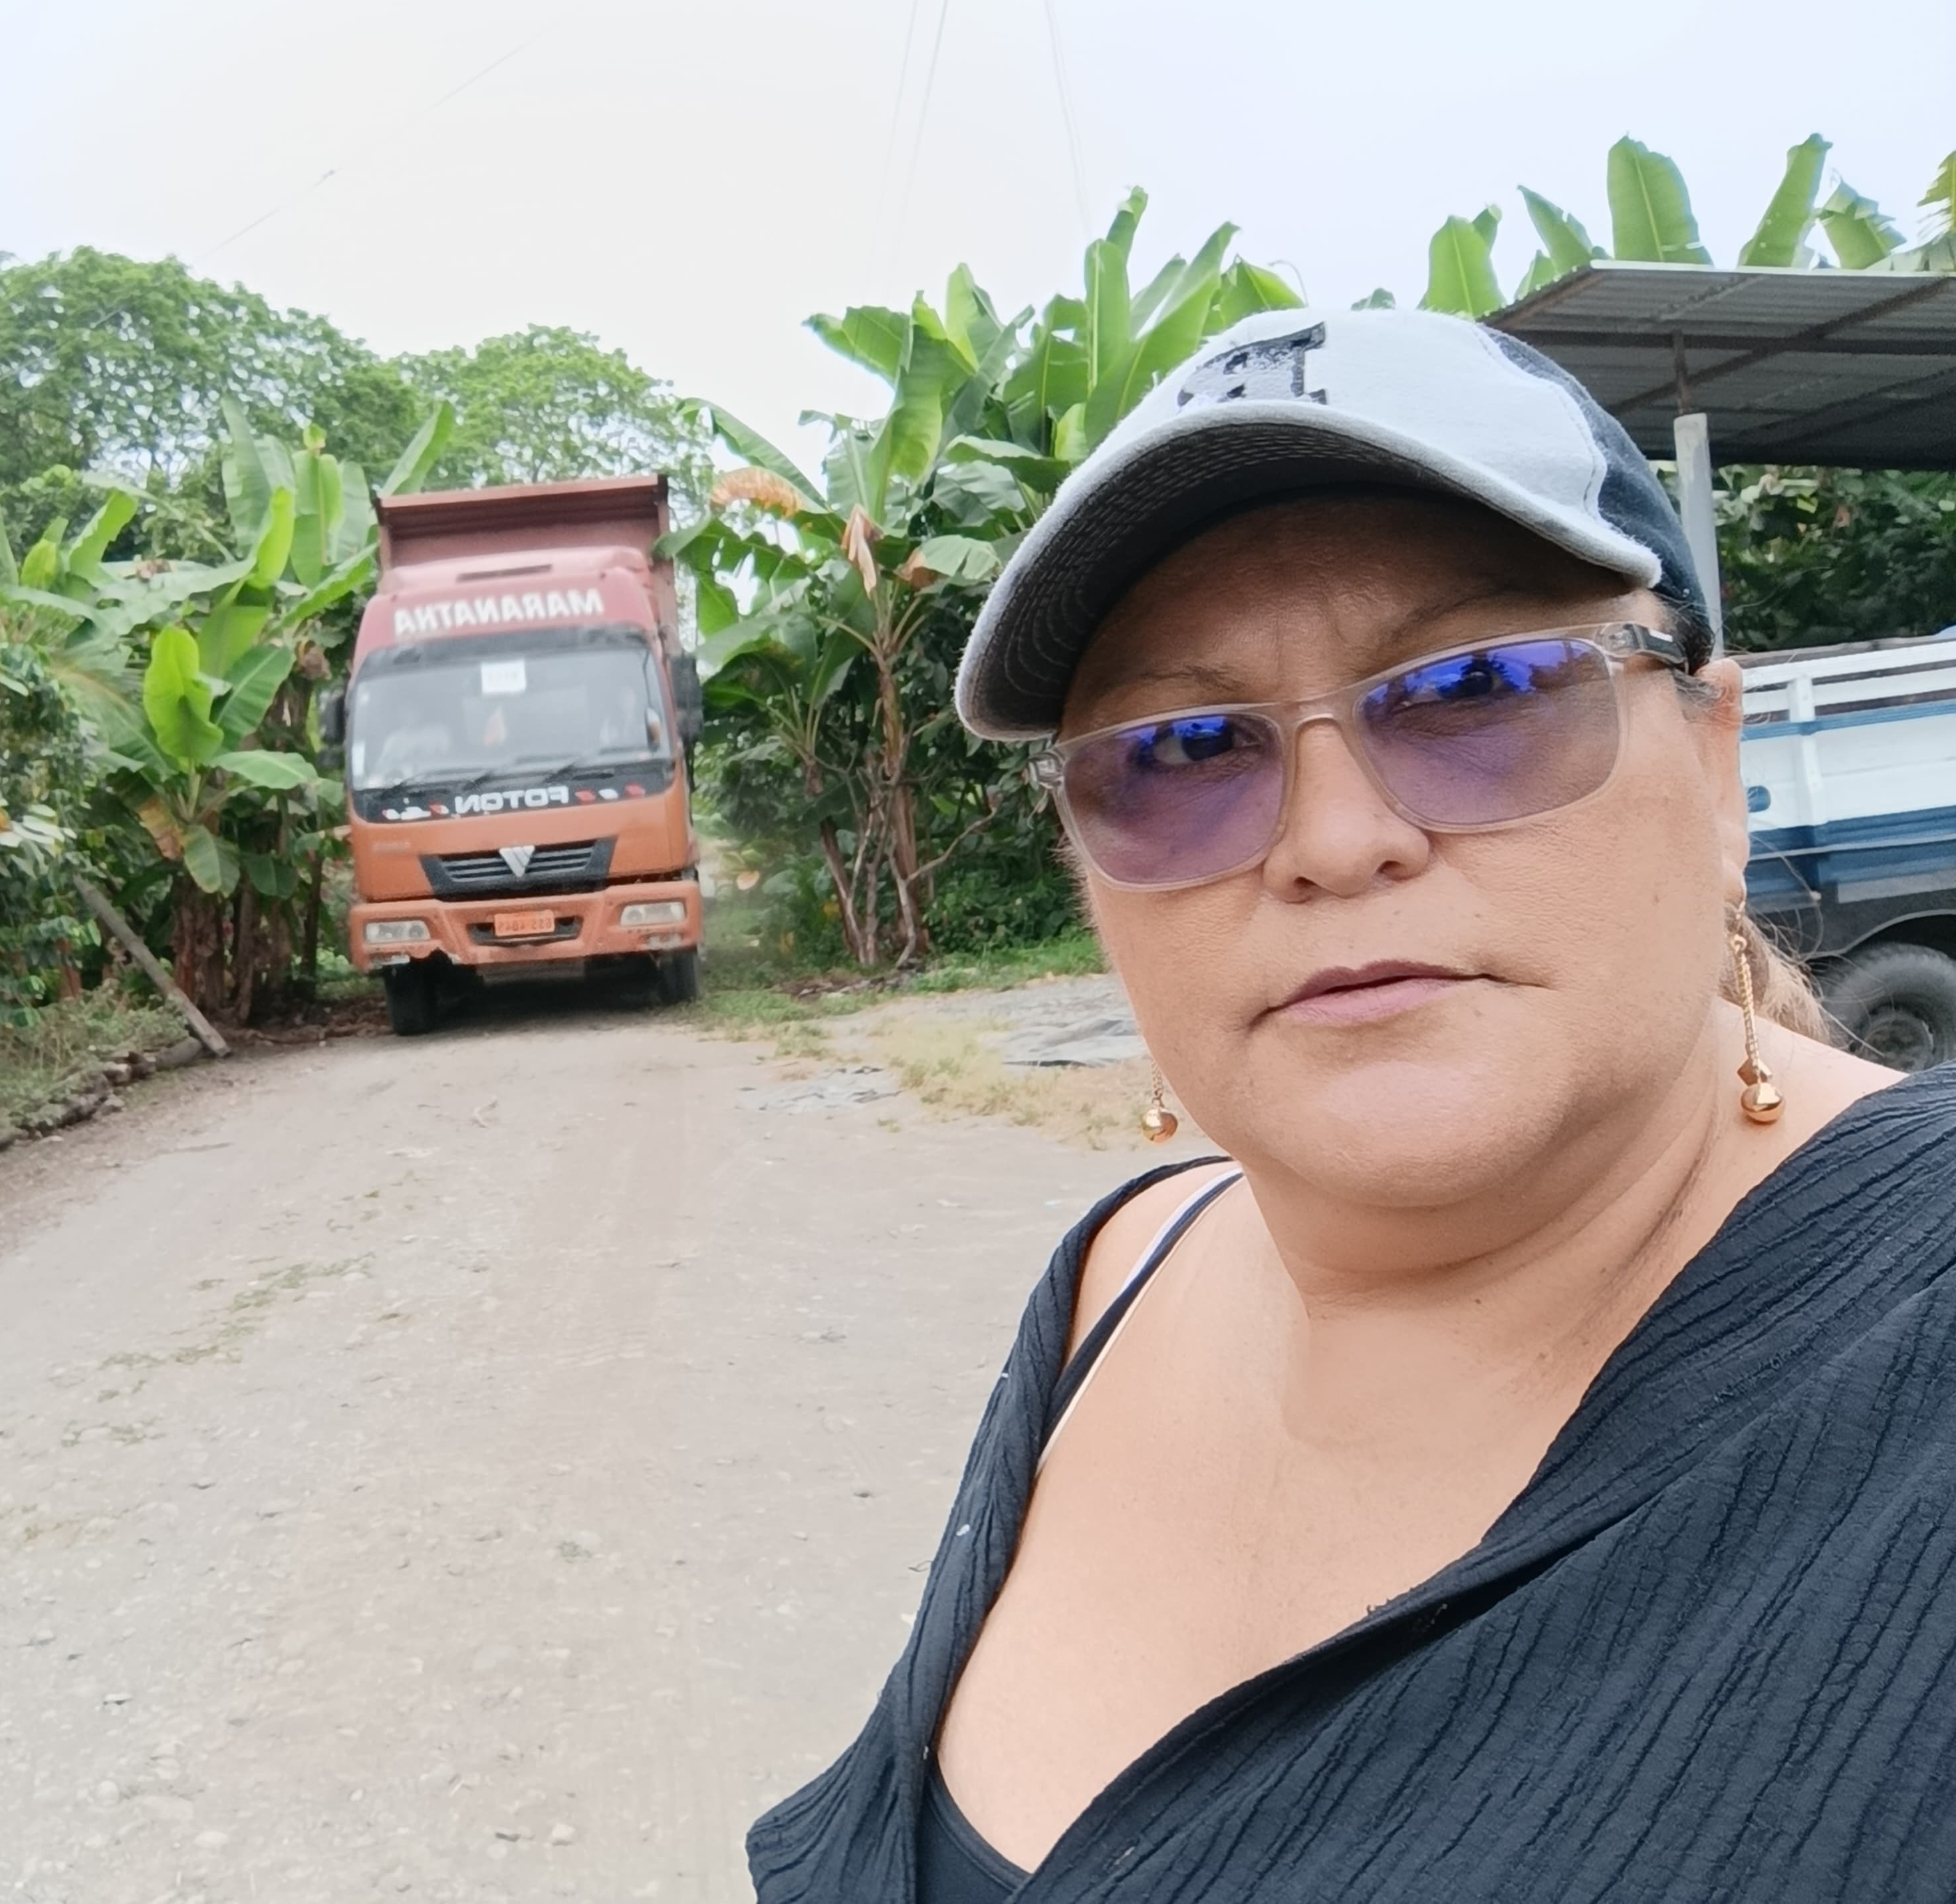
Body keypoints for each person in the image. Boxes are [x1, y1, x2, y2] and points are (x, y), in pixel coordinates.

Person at [749, 308, 1956, 1902]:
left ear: (1714, 763)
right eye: (1184, 749)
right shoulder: (1112, 1281)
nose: (1331, 839)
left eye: (1477, 687)